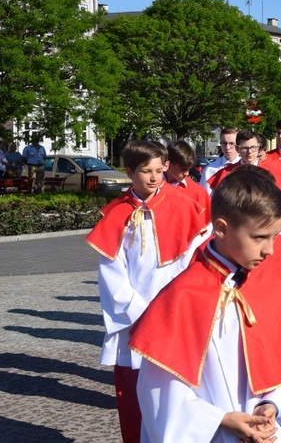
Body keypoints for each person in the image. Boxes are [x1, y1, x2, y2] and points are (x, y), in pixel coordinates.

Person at [129, 168, 281, 443]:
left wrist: (274, 404)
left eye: (274, 236)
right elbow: (159, 395)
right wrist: (221, 420)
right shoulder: (180, 298)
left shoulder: (278, 290)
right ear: (222, 228)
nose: (270, 250)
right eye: (259, 237)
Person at [86, 140, 209, 442]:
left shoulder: (185, 207)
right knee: (133, 399)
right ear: (129, 172)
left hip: (176, 317)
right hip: (134, 323)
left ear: (166, 166)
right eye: (145, 171)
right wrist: (142, 315)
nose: (154, 178)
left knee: (178, 398)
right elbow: (112, 276)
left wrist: (180, 308)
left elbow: (196, 262)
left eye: (159, 170)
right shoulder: (117, 215)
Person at [165, 141, 211, 225]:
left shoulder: (198, 192)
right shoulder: (150, 188)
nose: (187, 174)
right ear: (168, 164)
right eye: (183, 169)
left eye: (189, 169)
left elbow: (207, 227)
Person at [200, 127, 241, 195]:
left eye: (231, 143)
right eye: (224, 143)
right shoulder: (210, 169)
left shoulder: (246, 167)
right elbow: (205, 198)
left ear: (238, 144)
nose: (227, 148)